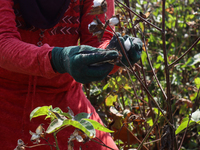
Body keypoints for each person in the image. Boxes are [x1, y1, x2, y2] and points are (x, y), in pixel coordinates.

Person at [0, 0, 142, 149]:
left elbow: (98, 40)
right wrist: (57, 59)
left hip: (63, 99)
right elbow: (3, 42)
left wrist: (114, 53)